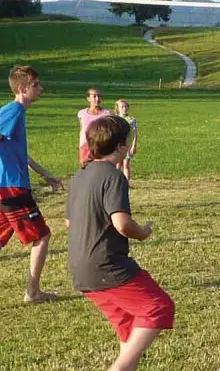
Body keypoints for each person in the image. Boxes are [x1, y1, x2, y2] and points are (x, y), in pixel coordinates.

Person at [66, 116, 175, 371]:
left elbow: (70, 223)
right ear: (118, 146)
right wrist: (144, 233)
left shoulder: (79, 176)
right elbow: (122, 224)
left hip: (81, 268)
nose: (128, 145)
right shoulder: (113, 178)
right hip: (106, 265)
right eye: (126, 140)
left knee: (129, 329)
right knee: (158, 307)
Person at [0, 65, 63, 303]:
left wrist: (45, 174)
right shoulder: (14, 110)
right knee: (42, 236)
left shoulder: (18, 114)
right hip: (11, 187)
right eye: (36, 85)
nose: (41, 89)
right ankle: (33, 292)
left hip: (9, 186)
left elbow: (18, 153)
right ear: (23, 88)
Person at [78, 87, 111, 165]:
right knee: (85, 167)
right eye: (94, 96)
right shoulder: (82, 113)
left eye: (99, 96)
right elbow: (82, 129)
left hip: (101, 146)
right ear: (88, 98)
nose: (97, 99)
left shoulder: (107, 114)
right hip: (85, 146)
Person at [114, 99, 138, 182]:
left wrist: (134, 145)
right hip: (118, 145)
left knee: (126, 164)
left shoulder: (132, 120)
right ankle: (116, 181)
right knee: (118, 164)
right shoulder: (116, 119)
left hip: (128, 145)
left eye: (126, 106)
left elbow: (135, 133)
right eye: (122, 107)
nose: (124, 108)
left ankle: (126, 183)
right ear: (118, 108)